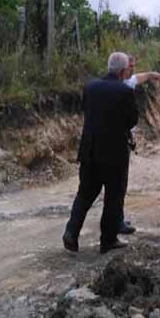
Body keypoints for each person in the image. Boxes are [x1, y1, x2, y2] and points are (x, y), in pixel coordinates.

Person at [63, 52, 138, 254]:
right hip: (114, 155)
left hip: (89, 151)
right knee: (113, 197)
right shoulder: (124, 92)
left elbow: (86, 110)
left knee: (85, 194)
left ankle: (71, 233)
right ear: (123, 71)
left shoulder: (90, 87)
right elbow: (132, 121)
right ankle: (108, 240)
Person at [116, 55, 160, 235]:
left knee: (116, 185)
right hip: (119, 142)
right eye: (131, 67)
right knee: (118, 185)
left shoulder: (121, 82)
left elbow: (139, 78)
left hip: (116, 141)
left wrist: (152, 74)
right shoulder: (122, 88)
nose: (133, 70)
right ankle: (116, 222)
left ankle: (114, 218)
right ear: (122, 68)